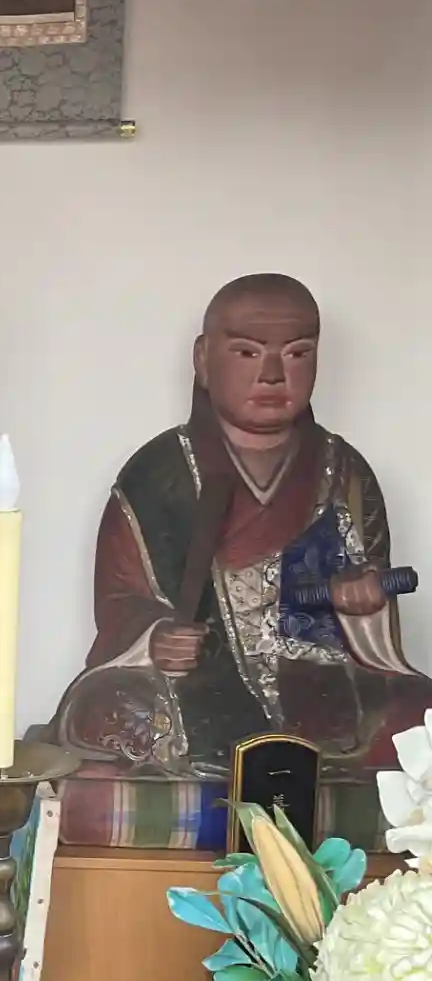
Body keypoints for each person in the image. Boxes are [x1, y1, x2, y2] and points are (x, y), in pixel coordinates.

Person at [55, 273, 432, 773]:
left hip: (317, 684)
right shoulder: (158, 471)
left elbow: (373, 605)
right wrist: (155, 638)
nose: (273, 375)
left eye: (297, 353)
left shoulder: (345, 471)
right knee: (106, 707)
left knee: (417, 712)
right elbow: (120, 598)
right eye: (248, 353)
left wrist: (363, 607)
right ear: (202, 359)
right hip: (194, 684)